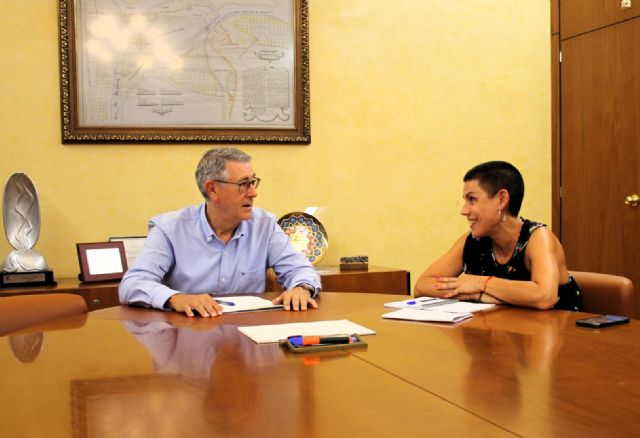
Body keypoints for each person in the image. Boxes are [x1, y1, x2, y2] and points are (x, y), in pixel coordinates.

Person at [119, 147, 321, 317]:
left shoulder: (265, 225)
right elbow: (133, 284)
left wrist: (301, 288)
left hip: (250, 337)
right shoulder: (169, 229)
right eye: (243, 184)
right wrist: (175, 298)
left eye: (253, 182)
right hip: (190, 338)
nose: (253, 193)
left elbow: (300, 270)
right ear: (212, 190)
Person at [414, 161, 581, 311]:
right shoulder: (472, 240)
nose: (463, 210)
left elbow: (544, 296)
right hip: (502, 334)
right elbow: (422, 286)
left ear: (501, 199)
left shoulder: (538, 238)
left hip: (557, 337)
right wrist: (475, 294)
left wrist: (480, 283)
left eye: (472, 199)